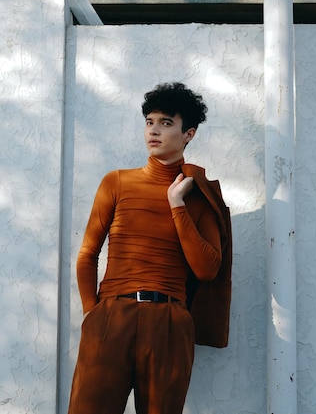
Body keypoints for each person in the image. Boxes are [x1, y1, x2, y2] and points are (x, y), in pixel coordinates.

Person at [68, 82, 231, 414]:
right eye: (150, 122)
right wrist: (92, 313)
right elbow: (88, 253)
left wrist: (177, 204)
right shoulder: (117, 182)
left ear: (189, 134)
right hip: (112, 317)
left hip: (169, 322)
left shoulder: (197, 195)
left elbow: (207, 269)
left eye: (166, 123)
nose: (154, 131)